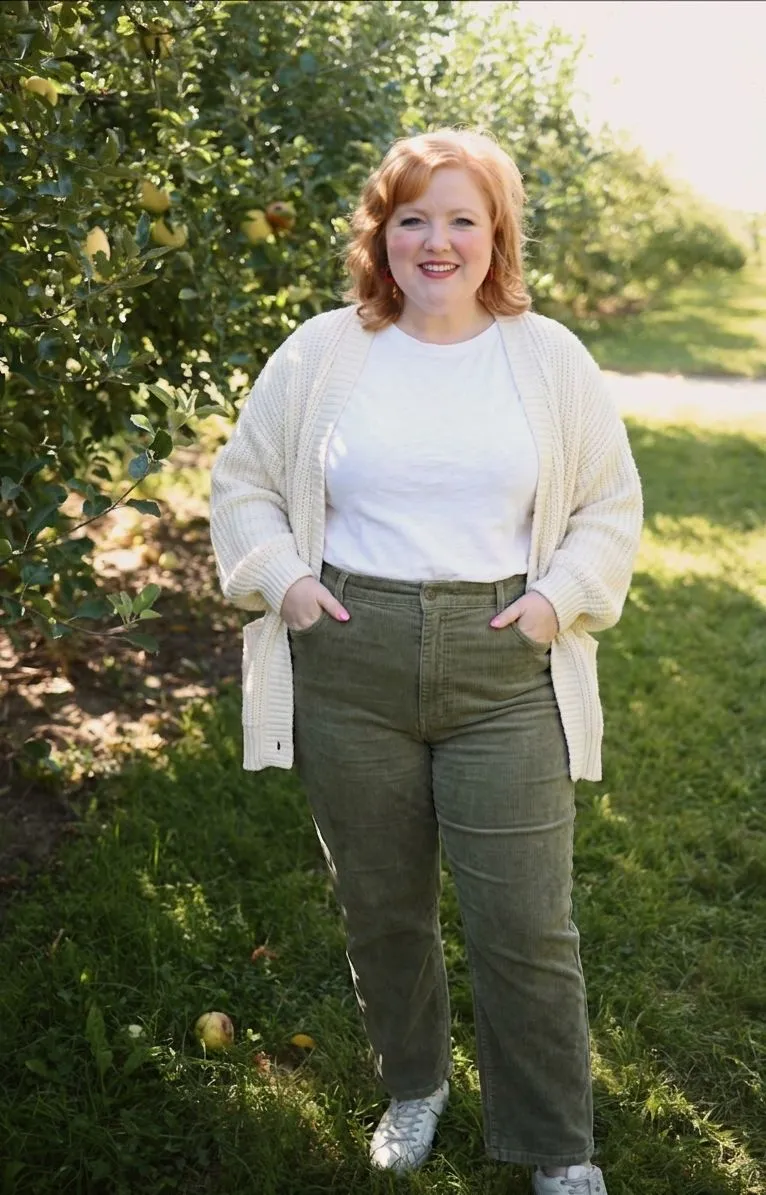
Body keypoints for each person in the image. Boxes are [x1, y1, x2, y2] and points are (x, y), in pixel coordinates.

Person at [209, 127, 643, 1195]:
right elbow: (243, 481)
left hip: (505, 669)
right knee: (381, 905)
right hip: (350, 658)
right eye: (413, 218)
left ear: (497, 235)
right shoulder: (322, 351)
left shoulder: (548, 357)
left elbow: (607, 506)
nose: (436, 241)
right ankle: (414, 1083)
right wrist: (286, 581)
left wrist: (554, 603)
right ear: (382, 233)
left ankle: (557, 1143)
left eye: (461, 219)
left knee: (526, 924)